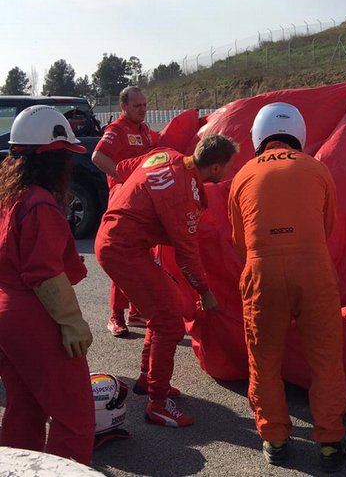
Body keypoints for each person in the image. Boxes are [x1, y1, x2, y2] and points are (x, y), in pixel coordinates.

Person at [228, 103, 346, 472]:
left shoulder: (243, 175)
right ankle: (330, 442)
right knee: (326, 358)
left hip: (262, 271)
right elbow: (327, 226)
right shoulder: (317, 168)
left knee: (263, 362)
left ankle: (275, 438)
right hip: (313, 269)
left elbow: (239, 241)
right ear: (298, 134)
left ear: (257, 137)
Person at [95, 135, 238, 427]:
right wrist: (205, 292)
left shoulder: (163, 154)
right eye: (227, 168)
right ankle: (157, 404)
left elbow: (123, 169)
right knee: (169, 323)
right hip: (125, 248)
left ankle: (148, 378)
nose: (227, 174)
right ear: (215, 168)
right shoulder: (185, 194)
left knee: (163, 311)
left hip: (116, 239)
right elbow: (188, 255)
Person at [0, 105, 94, 464]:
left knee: (24, 409)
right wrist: (71, 321)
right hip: (33, 314)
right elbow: (42, 273)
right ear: (52, 157)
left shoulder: (9, 196)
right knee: (75, 416)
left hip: (8, 314)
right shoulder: (40, 203)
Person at [92, 86, 158, 337]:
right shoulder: (117, 130)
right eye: (137, 106)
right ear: (124, 107)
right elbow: (97, 157)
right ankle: (116, 316)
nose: (143, 109)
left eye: (144, 105)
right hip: (122, 202)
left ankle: (136, 312)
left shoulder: (145, 132)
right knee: (122, 256)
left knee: (141, 255)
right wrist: (122, 178)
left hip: (142, 201)